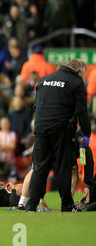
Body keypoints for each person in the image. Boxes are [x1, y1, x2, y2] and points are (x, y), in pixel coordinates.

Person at [26, 59, 91, 212]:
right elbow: (82, 110)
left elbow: (37, 105)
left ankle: (31, 204)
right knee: (63, 167)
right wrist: (86, 132)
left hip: (41, 128)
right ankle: (66, 205)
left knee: (40, 167)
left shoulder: (44, 80)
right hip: (61, 129)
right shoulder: (76, 82)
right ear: (79, 71)